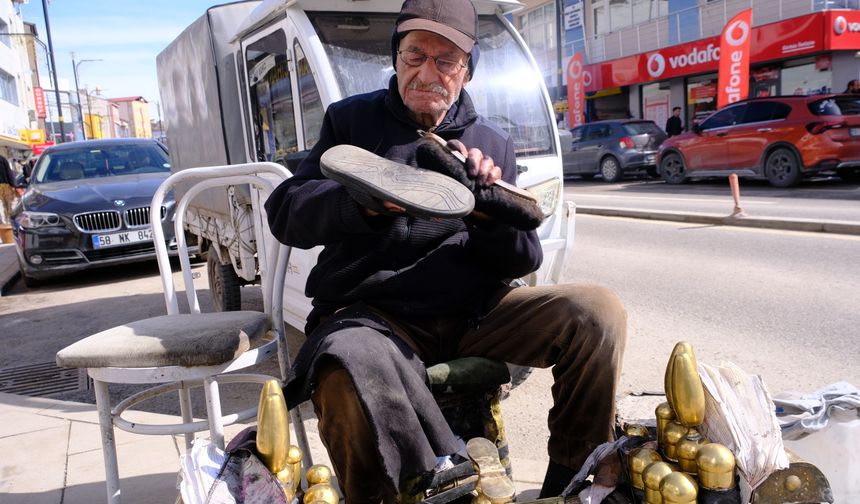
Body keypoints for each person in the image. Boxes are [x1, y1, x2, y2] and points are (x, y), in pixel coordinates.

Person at [264, 0, 627, 502]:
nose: (426, 72)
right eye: (414, 55)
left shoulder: (490, 143)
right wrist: (364, 200)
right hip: (378, 317)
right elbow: (285, 212)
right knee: (344, 364)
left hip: (474, 314)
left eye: (445, 60)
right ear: (395, 59)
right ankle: (412, 484)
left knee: (595, 311)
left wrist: (482, 207)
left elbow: (523, 258)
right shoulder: (351, 122)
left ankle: (571, 476)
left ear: (467, 72)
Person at [0, 154, 17, 224]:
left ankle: (4, 222)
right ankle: (10, 222)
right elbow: (9, 172)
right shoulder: (2, 159)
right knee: (9, 204)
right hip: (5, 185)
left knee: (2, 205)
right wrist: (13, 185)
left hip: (4, 185)